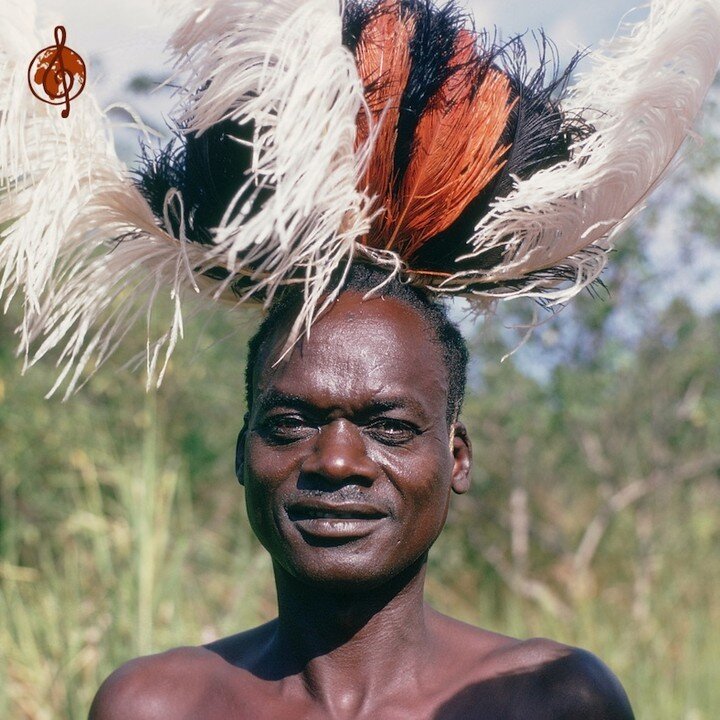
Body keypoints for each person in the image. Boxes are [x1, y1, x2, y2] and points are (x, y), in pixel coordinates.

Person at [88, 264, 635, 719]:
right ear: (242, 455)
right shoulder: (159, 706)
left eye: (390, 427)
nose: (336, 461)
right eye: (289, 424)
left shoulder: (549, 700)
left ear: (457, 459)